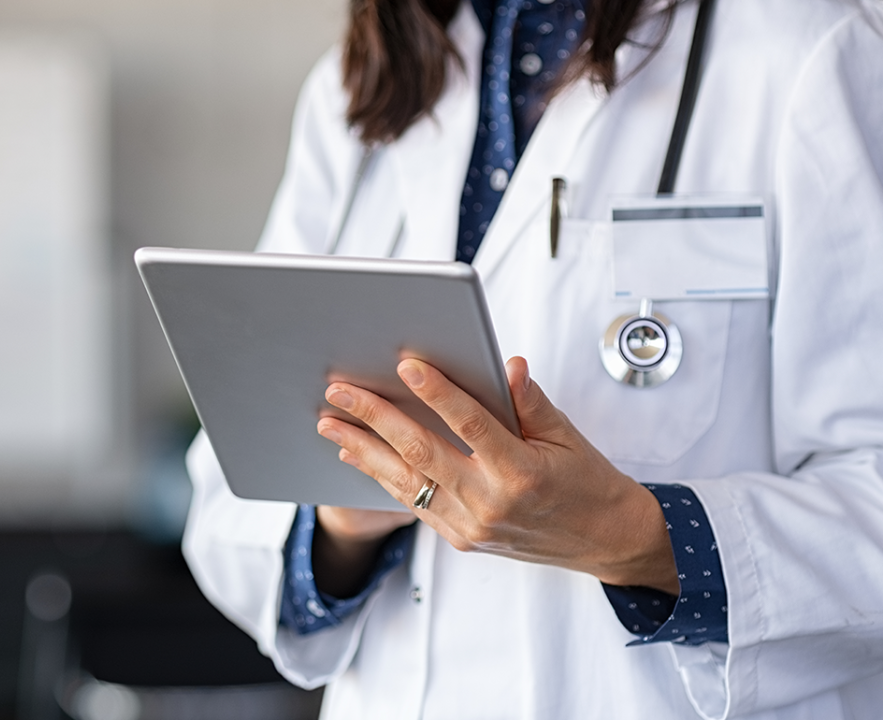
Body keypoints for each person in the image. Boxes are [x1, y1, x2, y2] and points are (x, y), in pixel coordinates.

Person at [182, 0, 883, 717]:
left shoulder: (811, 49)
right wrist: (341, 523)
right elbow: (229, 502)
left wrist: (639, 539)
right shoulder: (356, 84)